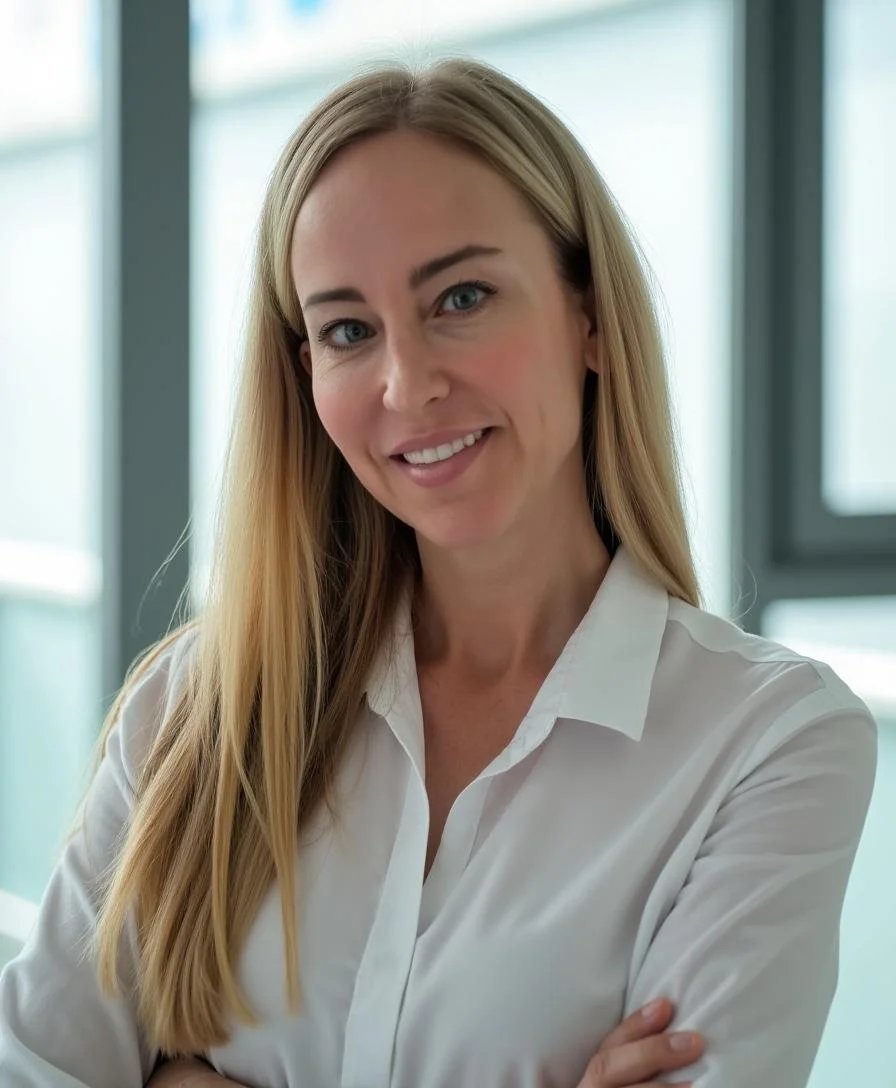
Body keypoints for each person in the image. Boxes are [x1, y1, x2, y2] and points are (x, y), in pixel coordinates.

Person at [0, 58, 877, 1088]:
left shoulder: (769, 743)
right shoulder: (195, 710)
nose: (407, 383)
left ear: (587, 315)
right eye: (346, 329)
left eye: (460, 296)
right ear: (307, 375)